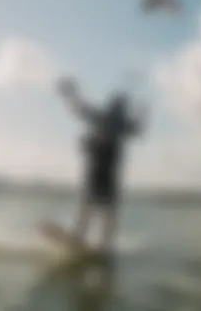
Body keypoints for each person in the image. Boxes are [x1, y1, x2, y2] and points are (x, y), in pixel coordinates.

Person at [56, 76, 147, 255]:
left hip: (106, 167)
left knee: (101, 206)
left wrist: (71, 94)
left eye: (120, 107)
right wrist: (71, 94)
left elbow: (81, 109)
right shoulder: (109, 119)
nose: (118, 111)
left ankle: (100, 244)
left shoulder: (117, 122)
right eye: (118, 107)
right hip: (101, 166)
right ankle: (89, 240)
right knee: (97, 205)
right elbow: (81, 109)